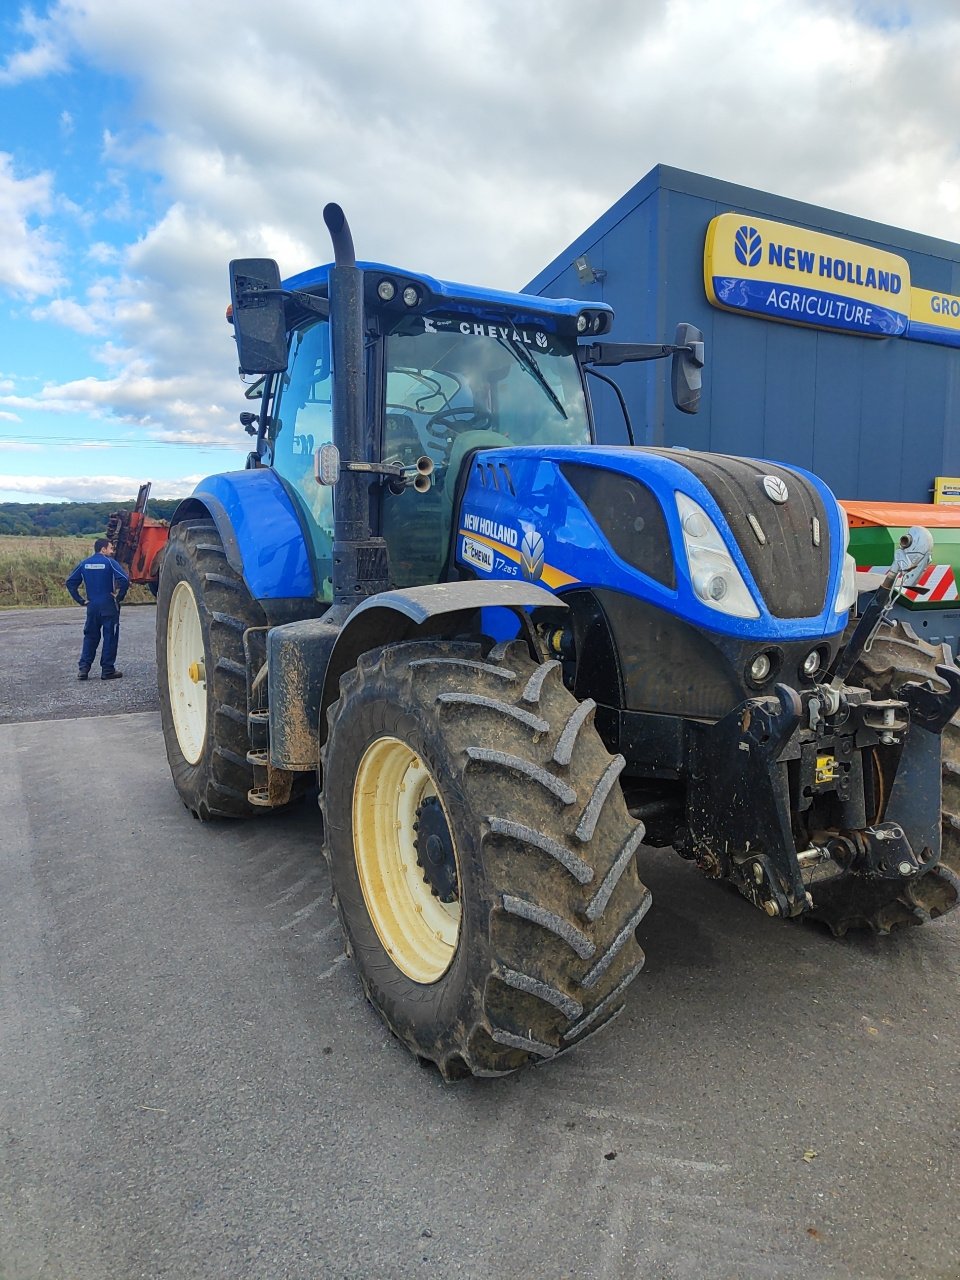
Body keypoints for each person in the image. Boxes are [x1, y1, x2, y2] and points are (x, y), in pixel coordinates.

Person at [65, 537, 130, 680]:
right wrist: (119, 597)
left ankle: (84, 669)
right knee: (110, 637)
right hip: (108, 605)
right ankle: (107, 670)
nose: (112, 551)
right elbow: (124, 580)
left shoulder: (85, 563)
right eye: (111, 548)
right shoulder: (109, 562)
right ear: (103, 549)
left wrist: (81, 600)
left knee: (90, 637)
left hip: (92, 605)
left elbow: (70, 582)